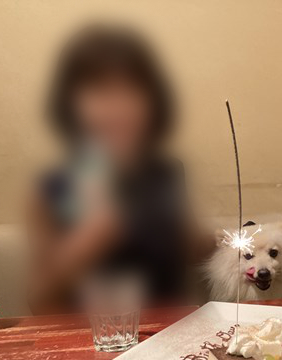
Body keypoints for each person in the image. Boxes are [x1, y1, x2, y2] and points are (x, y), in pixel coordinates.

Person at [27, 25, 204, 314]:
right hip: (87, 340)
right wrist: (87, 241)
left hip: (169, 338)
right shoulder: (54, 185)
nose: (118, 106)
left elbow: (185, 253)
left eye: (132, 90)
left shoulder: (165, 172)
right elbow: (39, 302)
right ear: (72, 103)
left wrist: (218, 241)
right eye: (101, 91)